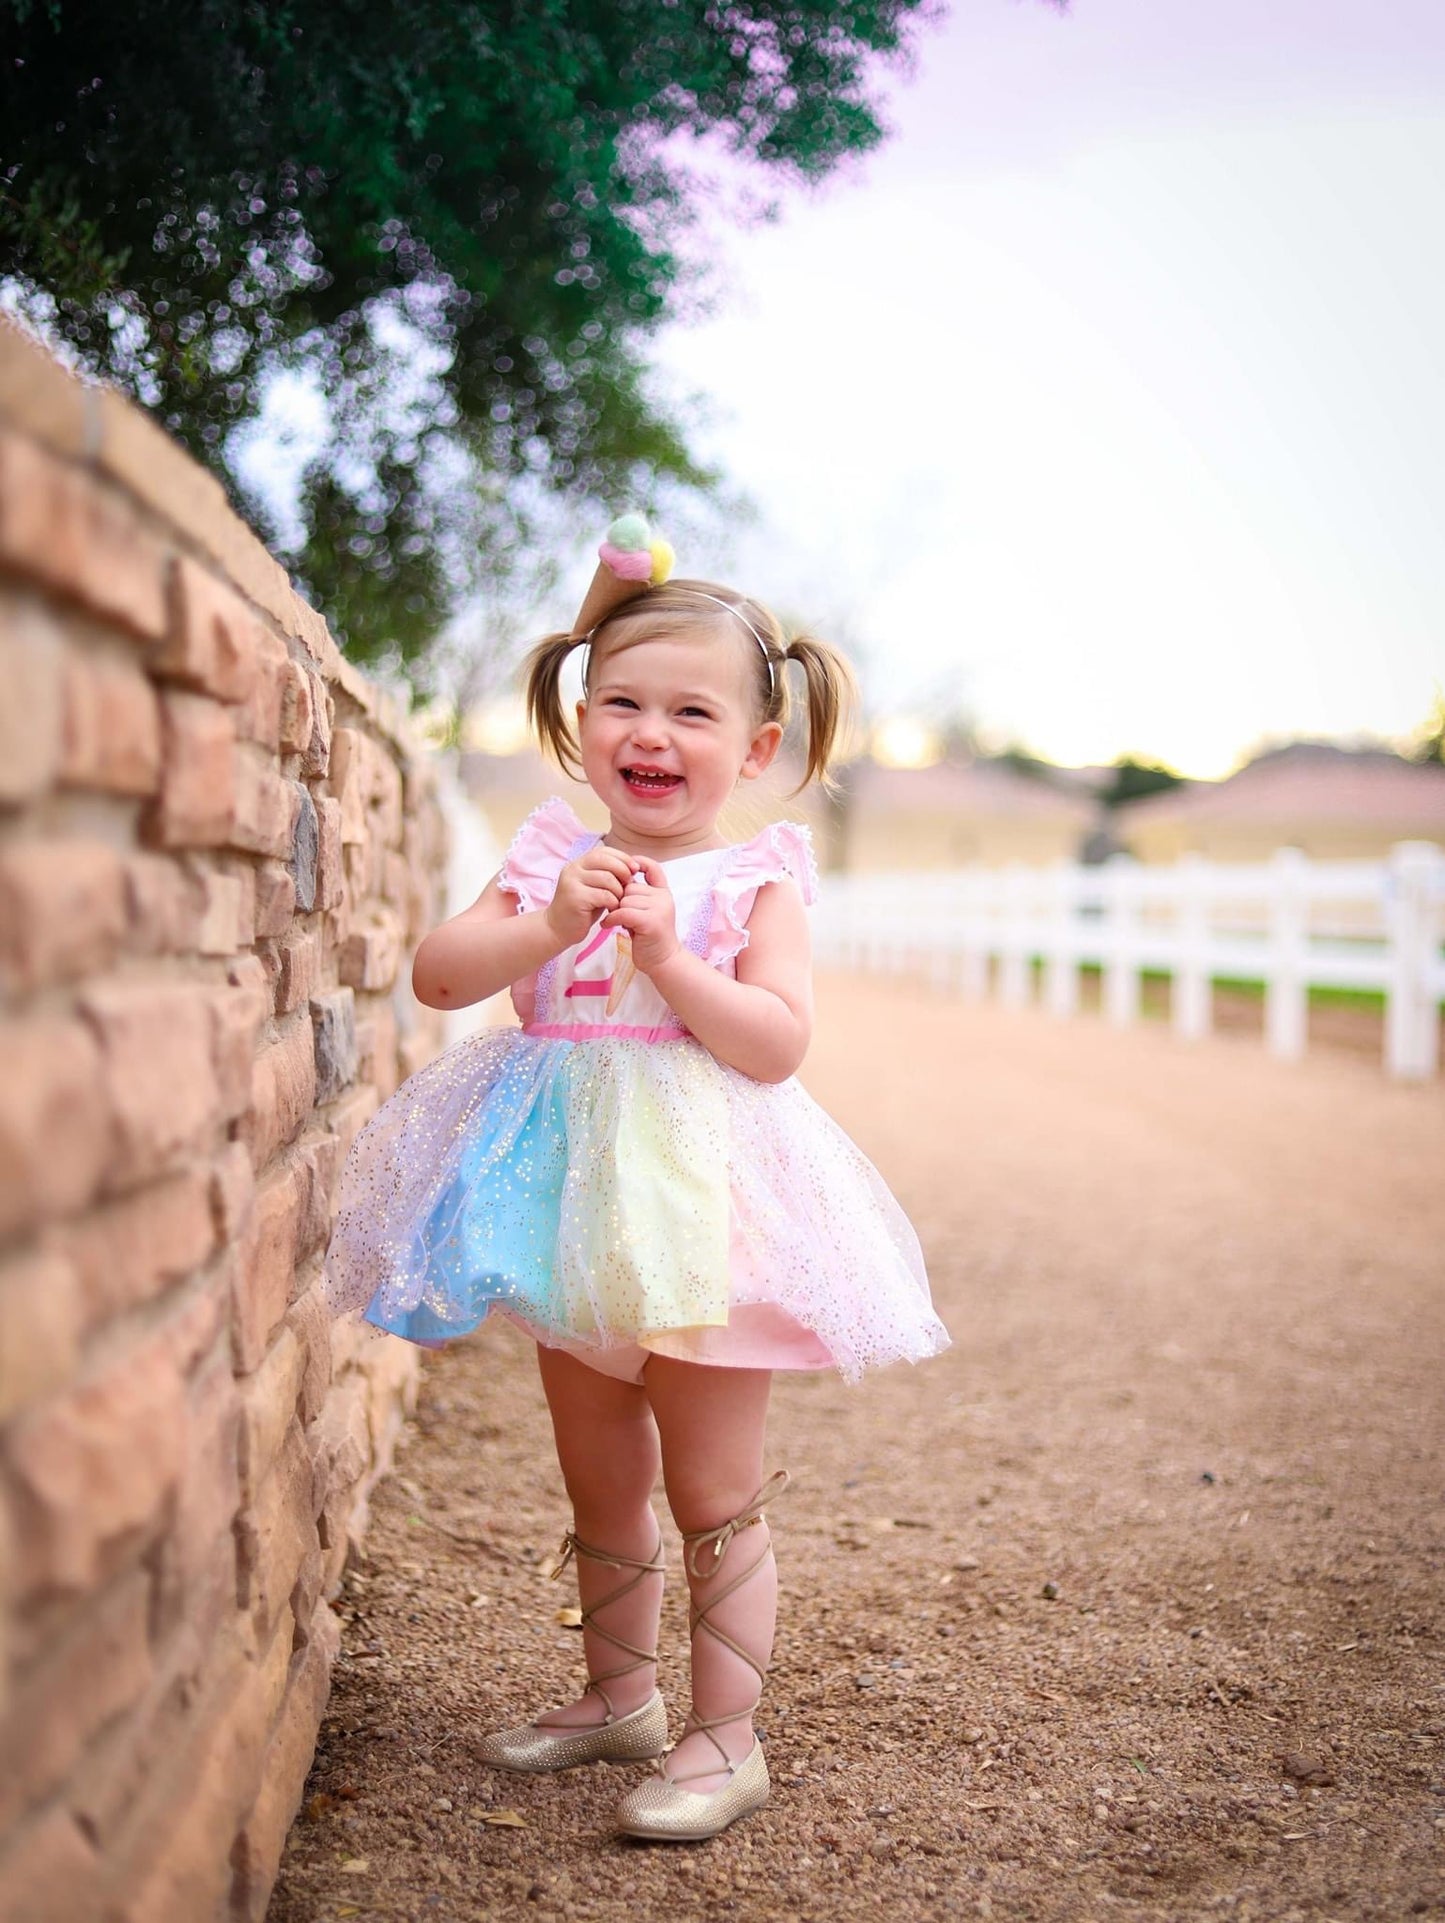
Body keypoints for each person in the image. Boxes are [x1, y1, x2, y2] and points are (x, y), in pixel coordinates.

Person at [325, 515, 949, 1843]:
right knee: (597, 1474)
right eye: (622, 701)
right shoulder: (552, 855)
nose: (649, 733)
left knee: (713, 1488)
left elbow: (774, 1048)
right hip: (567, 1209)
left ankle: (726, 1736)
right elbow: (438, 977)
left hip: (708, 1211)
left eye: (689, 711)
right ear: (579, 716)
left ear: (756, 748)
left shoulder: (752, 882)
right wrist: (547, 920)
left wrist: (673, 959)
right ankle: (619, 1699)